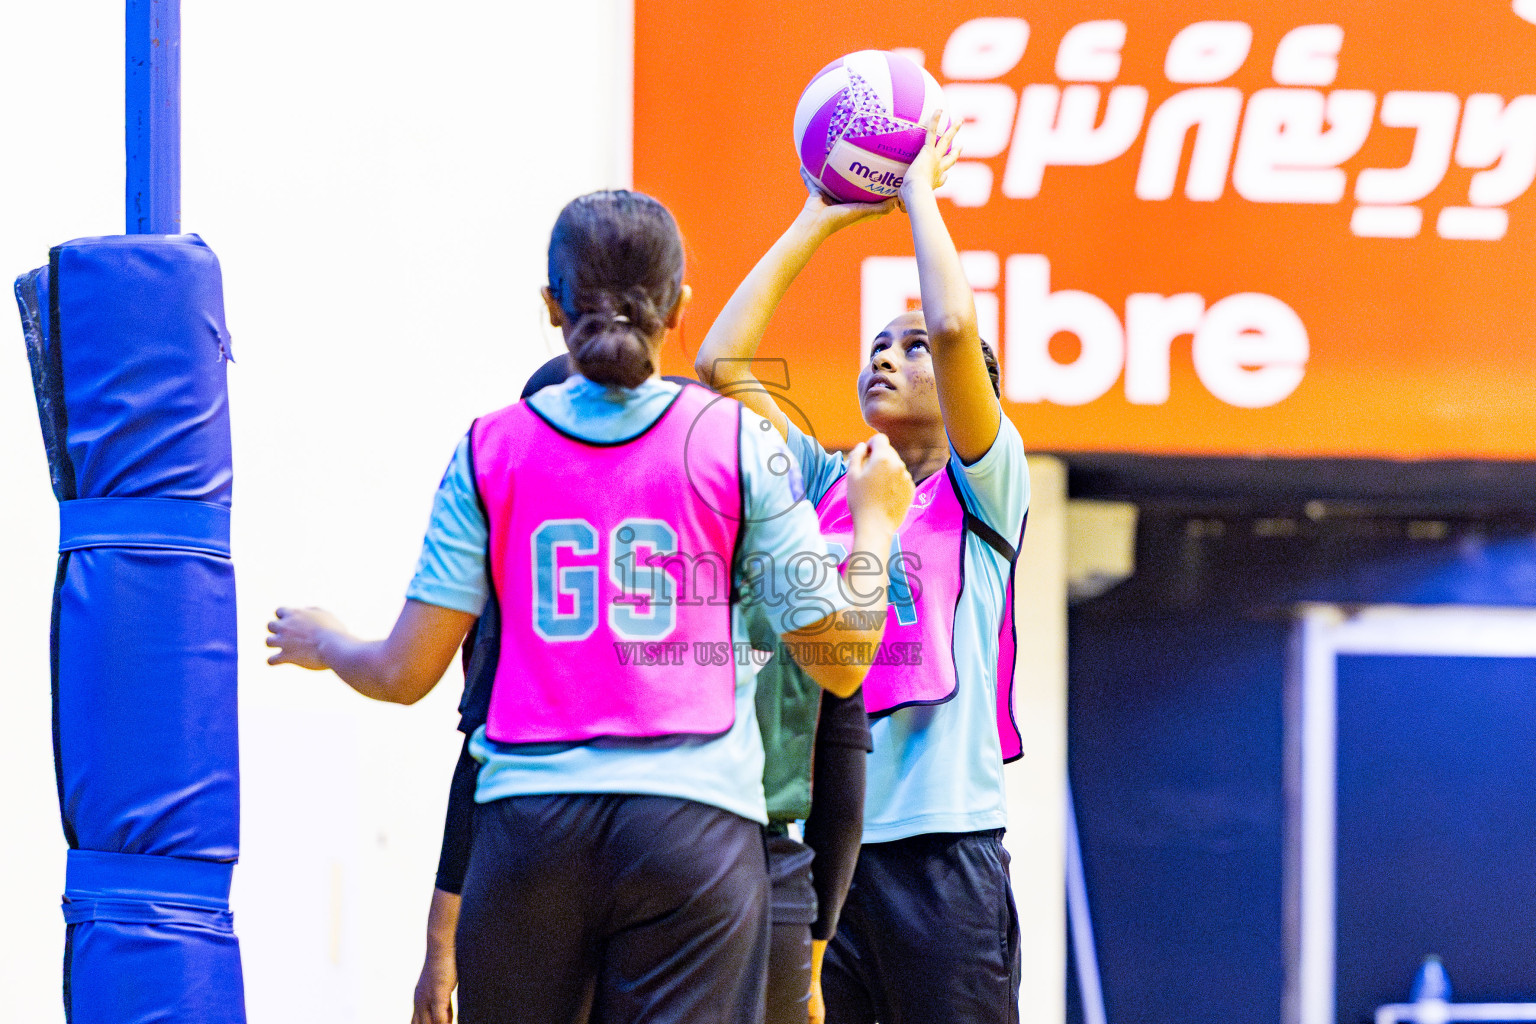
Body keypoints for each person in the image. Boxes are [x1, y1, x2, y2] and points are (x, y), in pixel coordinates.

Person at [266, 189, 916, 1024]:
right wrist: (873, 526)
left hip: (532, 835)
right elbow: (841, 659)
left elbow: (403, 673)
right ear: (681, 307)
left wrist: (330, 641)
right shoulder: (736, 442)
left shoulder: (489, 447)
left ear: (551, 306)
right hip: (693, 835)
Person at [408, 354, 872, 1024]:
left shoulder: (558, 578)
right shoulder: (764, 549)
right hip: (722, 859)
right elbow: (841, 771)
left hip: (594, 843)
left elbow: (442, 714)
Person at [695, 114, 1029, 1024]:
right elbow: (720, 364)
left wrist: (916, 187)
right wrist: (820, 216)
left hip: (944, 854)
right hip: (827, 852)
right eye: (877, 345)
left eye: (911, 347)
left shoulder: (983, 489)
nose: (887, 353)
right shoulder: (826, 481)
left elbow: (956, 320)